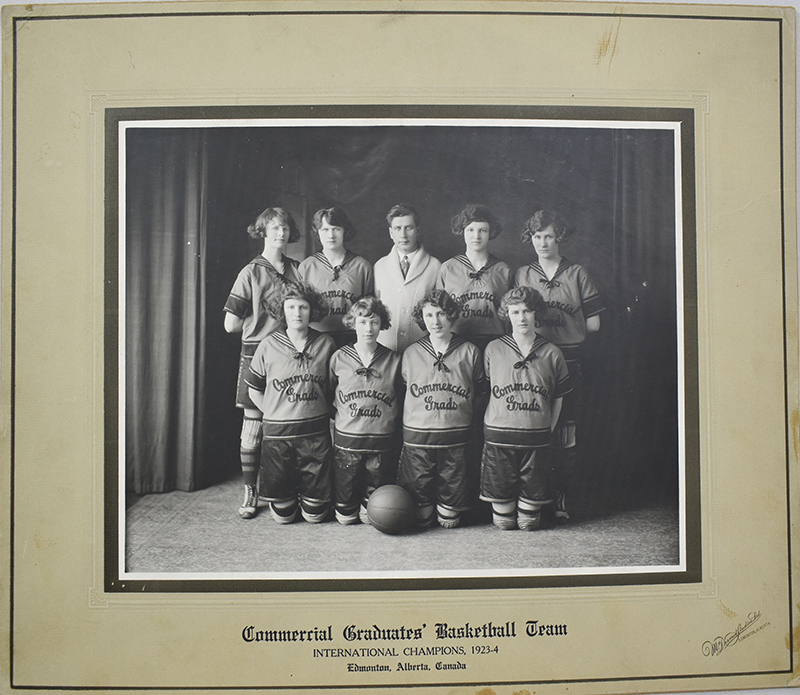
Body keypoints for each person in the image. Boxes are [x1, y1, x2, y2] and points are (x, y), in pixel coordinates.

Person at [513, 209, 604, 522]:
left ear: (559, 237)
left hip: (568, 359)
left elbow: (594, 323)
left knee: (566, 430)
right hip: (533, 358)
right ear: (530, 238)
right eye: (537, 236)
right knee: (532, 424)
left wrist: (564, 333)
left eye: (549, 236)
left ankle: (561, 496)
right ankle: (532, 495)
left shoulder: (576, 272)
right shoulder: (523, 274)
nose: (543, 243)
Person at [223, 207, 301, 519]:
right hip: (258, 355)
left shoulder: (297, 269)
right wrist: (260, 323)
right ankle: (250, 490)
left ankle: (292, 488)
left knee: (292, 421)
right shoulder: (250, 272)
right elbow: (230, 324)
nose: (281, 233)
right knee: (254, 424)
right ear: (263, 232)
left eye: (285, 228)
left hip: (292, 354)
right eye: (275, 228)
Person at [481, 287, 572, 531]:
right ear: (506, 314)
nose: (521, 318)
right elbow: (486, 389)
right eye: (515, 312)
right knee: (503, 522)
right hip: (500, 439)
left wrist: (548, 427)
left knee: (529, 522)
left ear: (536, 313)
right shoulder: (493, 349)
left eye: (527, 311)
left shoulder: (552, 352)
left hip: (536, 440)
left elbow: (559, 397)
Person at [245, 283, 336, 524]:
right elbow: (254, 390)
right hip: (279, 437)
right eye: (291, 307)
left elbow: (333, 389)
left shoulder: (326, 344)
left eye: (303, 307)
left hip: (315, 435)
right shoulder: (268, 345)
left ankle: (309, 496)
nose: (297, 313)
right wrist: (275, 412)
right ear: (281, 310)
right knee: (284, 516)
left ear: (312, 310)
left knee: (315, 515)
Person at [396, 290, 484, 529]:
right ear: (422, 318)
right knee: (421, 517)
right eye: (429, 315)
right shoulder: (411, 353)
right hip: (418, 439)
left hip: (455, 439)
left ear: (451, 315)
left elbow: (479, 394)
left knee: (450, 519)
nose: (435, 321)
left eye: (441, 314)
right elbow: (402, 392)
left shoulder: (470, 351)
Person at [328, 297, 402, 525]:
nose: (368, 328)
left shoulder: (393, 360)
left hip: (381, 442)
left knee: (374, 513)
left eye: (374, 322)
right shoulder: (339, 357)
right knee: (345, 517)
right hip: (348, 441)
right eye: (362, 322)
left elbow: (401, 398)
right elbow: (328, 395)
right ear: (353, 323)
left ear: (382, 325)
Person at [435, 204, 511, 350]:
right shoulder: (448, 268)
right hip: (456, 343)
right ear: (462, 231)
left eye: (483, 230)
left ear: (490, 233)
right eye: (470, 230)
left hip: (495, 343)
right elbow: (438, 310)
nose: (476, 236)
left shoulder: (503, 270)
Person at [298, 206, 374, 347]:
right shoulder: (306, 267)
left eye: (336, 229)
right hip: (316, 341)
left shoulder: (362, 266)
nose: (331, 235)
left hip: (353, 340)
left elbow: (370, 310)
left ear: (345, 231)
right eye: (325, 230)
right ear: (317, 232)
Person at [374, 203, 441, 352]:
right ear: (391, 233)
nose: (403, 235)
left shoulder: (435, 266)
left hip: (422, 349)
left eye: (408, 228)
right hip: (385, 349)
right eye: (397, 228)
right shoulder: (379, 266)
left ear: (418, 230)